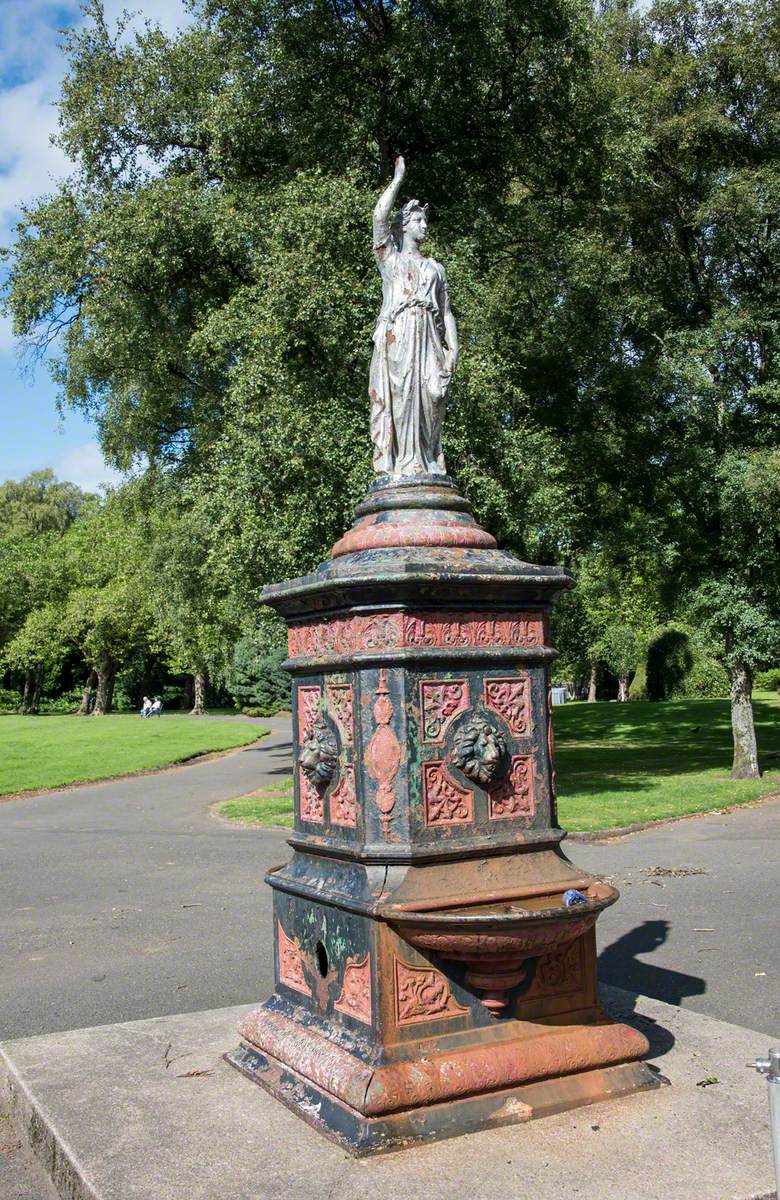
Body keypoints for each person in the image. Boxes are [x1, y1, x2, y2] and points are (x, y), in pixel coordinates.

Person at [369, 154, 459, 478]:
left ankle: (427, 463)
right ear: (405, 225)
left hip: (430, 341)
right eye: (419, 221)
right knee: (403, 400)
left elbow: (446, 312)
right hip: (400, 338)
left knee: (431, 400)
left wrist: (454, 349)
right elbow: (379, 217)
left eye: (425, 221)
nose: (424, 227)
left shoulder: (436, 269)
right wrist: (397, 181)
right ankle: (404, 465)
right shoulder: (391, 262)